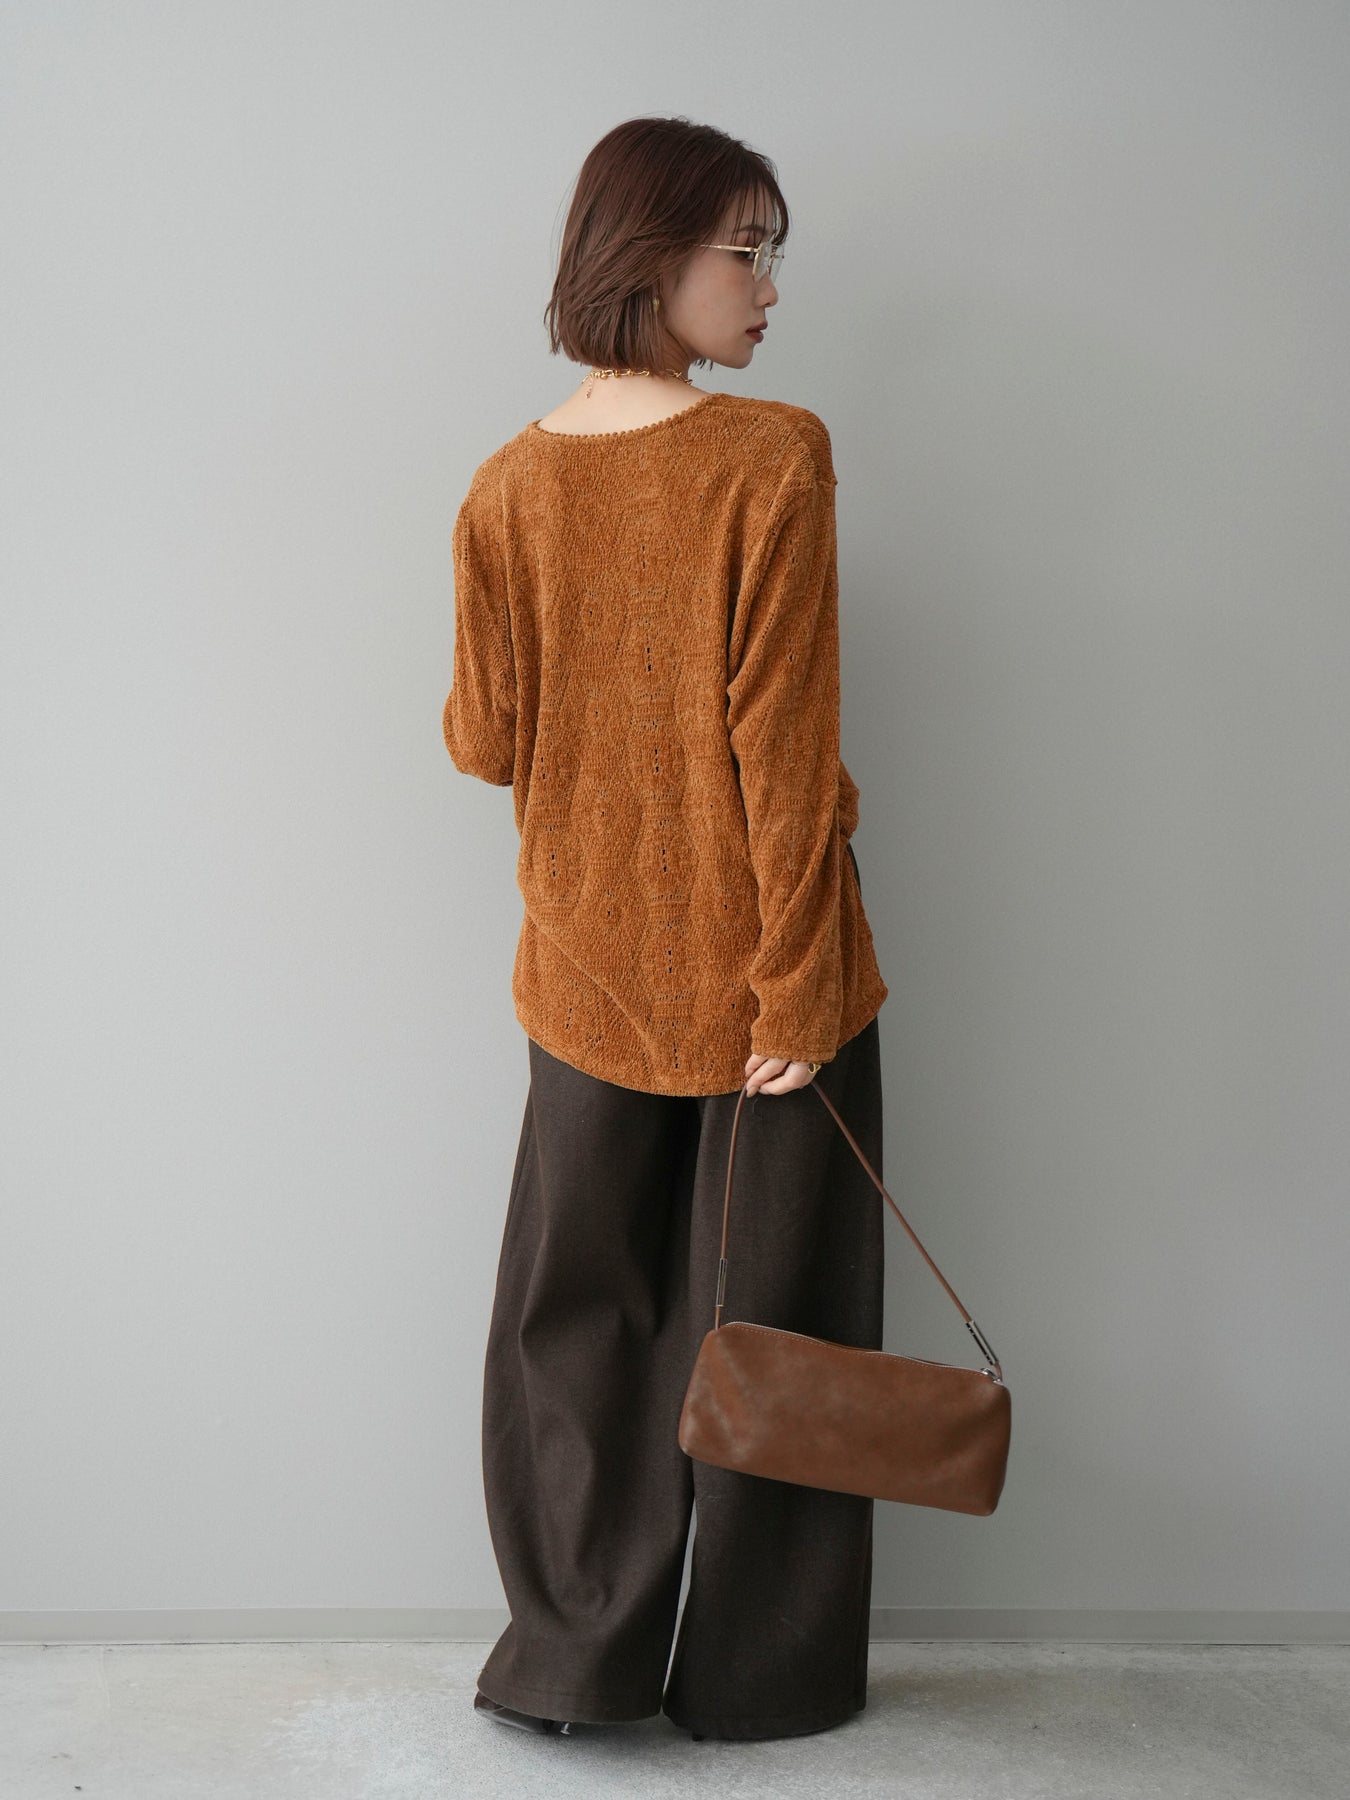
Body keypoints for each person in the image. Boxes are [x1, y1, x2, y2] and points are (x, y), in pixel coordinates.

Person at [442, 115, 890, 1743]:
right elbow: (783, 747)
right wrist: (797, 987)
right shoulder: (770, 456)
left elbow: (481, 740)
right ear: (649, 259)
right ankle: (760, 1679)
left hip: (580, 966)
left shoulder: (504, 486)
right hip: (769, 975)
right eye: (744, 250)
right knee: (774, 1331)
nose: (767, 288)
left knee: (581, 1322)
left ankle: (570, 1662)